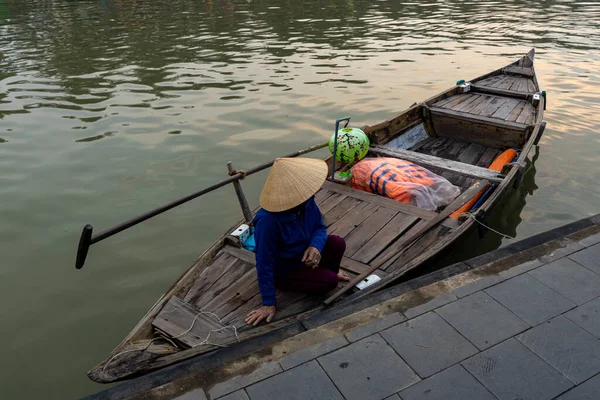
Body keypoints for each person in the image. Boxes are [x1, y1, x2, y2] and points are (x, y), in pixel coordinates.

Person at [245, 157, 350, 326]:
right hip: (285, 270)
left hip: (304, 253)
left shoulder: (307, 203)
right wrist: (269, 302)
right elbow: (264, 262)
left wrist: (315, 246)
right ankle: (323, 274)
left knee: (337, 243)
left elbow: (319, 228)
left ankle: (330, 269)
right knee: (330, 281)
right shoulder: (268, 221)